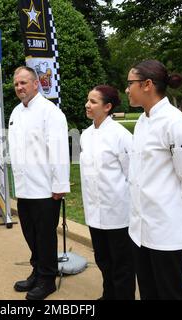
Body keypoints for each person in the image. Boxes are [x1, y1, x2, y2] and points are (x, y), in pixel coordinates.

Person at [125, 59, 182, 300]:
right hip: (141, 230)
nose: (126, 89)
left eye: (130, 83)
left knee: (170, 293)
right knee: (149, 292)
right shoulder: (143, 121)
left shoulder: (175, 123)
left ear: (147, 85)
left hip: (166, 229)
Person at [8, 66, 70, 300]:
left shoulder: (49, 112)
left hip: (45, 189)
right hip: (25, 188)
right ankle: (37, 270)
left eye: (23, 83)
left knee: (44, 236)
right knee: (30, 233)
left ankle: (47, 279)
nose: (19, 87)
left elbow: (59, 151)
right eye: (16, 84)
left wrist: (59, 185)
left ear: (36, 84)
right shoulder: (15, 112)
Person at [80, 85, 135, 300]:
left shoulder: (121, 136)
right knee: (103, 260)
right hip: (94, 211)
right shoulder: (85, 135)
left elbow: (132, 175)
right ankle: (108, 295)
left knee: (122, 263)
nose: (88, 105)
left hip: (118, 212)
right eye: (88, 100)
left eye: (93, 102)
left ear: (108, 106)